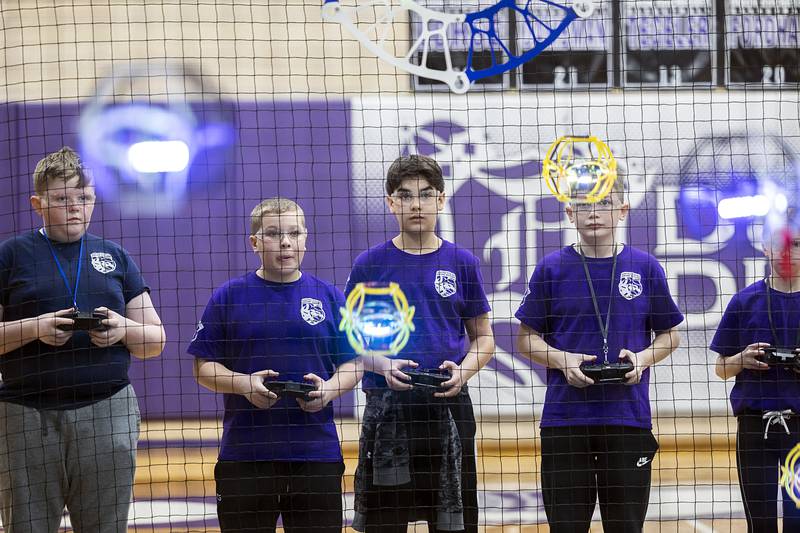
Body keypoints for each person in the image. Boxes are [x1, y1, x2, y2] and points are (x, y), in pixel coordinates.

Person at [0, 146, 166, 532]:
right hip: (25, 413)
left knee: (105, 526)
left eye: (84, 198)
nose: (75, 207)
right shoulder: (11, 255)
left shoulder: (115, 255)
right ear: (37, 203)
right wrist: (36, 328)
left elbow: (155, 340)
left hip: (107, 409)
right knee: (28, 525)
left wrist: (123, 329)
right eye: (61, 199)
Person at [515, 176, 683, 532]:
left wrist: (642, 358)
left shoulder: (646, 267)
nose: (594, 213)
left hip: (626, 418)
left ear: (623, 210)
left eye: (604, 203)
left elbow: (670, 336)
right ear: (569, 212)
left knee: (625, 526)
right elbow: (526, 339)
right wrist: (563, 360)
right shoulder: (551, 269)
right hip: (565, 420)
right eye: (585, 204)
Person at [189, 197, 362, 533]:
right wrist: (243, 384)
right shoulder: (228, 296)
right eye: (273, 234)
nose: (285, 241)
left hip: (316, 453)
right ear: (254, 242)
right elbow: (203, 367)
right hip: (246, 455)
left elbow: (354, 363)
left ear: (306, 239)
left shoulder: (330, 297)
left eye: (294, 233)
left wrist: (328, 391)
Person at [346, 154, 495, 532]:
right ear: (391, 203)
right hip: (387, 409)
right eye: (405, 195)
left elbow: (484, 339)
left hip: (448, 406)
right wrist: (381, 365)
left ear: (441, 200)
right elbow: (348, 339)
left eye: (425, 195)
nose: (416, 204)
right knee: (385, 523)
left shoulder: (462, 262)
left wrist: (463, 371)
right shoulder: (370, 264)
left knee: (453, 523)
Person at [711, 227, 800, 533]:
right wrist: (742, 359)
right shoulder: (744, 301)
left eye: (797, 244)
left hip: (799, 429)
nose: (789, 251)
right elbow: (721, 369)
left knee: (797, 519)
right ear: (765, 246)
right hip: (754, 427)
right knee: (759, 521)